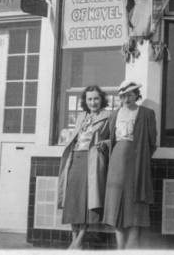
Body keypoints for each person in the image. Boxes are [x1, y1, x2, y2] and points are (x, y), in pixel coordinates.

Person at [103, 80, 157, 249]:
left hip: (137, 159)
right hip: (117, 159)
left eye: (130, 95)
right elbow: (111, 138)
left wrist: (141, 158)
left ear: (136, 95)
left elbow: (152, 141)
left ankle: (132, 243)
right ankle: (120, 246)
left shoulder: (146, 113)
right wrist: (104, 144)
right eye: (123, 96)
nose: (127, 99)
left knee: (135, 198)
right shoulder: (114, 114)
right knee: (116, 198)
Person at [58, 85, 112, 249]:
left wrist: (105, 144)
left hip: (92, 161)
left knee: (88, 201)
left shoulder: (108, 116)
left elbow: (114, 139)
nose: (93, 102)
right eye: (89, 99)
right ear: (85, 101)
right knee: (74, 201)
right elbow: (75, 137)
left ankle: (78, 241)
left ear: (101, 99)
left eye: (96, 98)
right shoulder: (82, 116)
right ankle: (75, 240)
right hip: (75, 159)